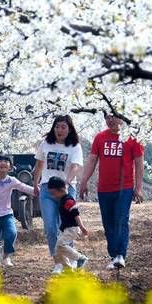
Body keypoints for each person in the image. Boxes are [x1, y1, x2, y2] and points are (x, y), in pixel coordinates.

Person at [80, 112, 145, 270]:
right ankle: (113, 254)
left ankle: (120, 255)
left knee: (121, 219)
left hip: (125, 187)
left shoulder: (132, 137)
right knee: (108, 223)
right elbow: (92, 159)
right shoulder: (100, 137)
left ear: (121, 117)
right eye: (107, 117)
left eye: (112, 116)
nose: (110, 120)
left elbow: (139, 162)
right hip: (104, 188)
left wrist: (138, 187)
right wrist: (84, 181)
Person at [33, 115, 84, 269]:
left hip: (66, 190)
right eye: (57, 127)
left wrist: (67, 183)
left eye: (63, 127)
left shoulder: (75, 146)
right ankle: (59, 262)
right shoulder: (46, 144)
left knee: (66, 226)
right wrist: (35, 184)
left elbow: (75, 166)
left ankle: (72, 259)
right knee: (50, 227)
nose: (60, 130)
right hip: (47, 189)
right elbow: (39, 164)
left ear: (69, 130)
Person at [47, 176, 89, 274]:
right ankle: (67, 268)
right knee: (57, 250)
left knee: (61, 245)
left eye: (53, 193)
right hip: (66, 229)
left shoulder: (68, 201)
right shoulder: (62, 199)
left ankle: (80, 258)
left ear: (61, 189)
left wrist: (82, 227)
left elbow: (76, 215)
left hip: (72, 229)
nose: (53, 196)